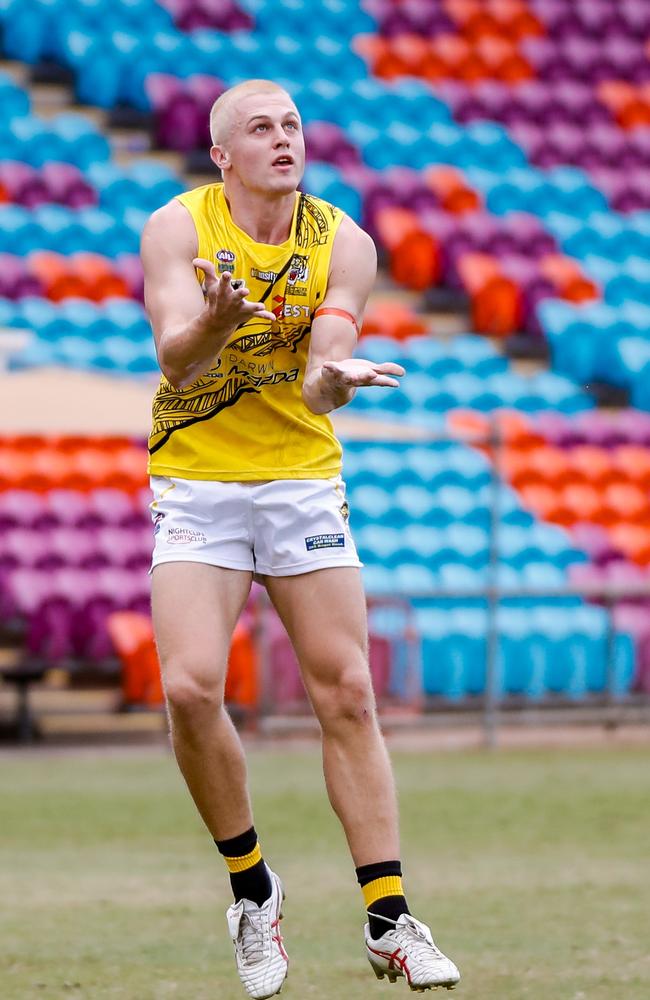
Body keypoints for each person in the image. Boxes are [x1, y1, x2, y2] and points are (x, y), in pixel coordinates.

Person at [140, 78, 460, 998]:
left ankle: (390, 917)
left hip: (300, 478)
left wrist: (337, 379)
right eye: (259, 128)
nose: (283, 140)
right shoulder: (179, 228)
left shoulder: (343, 241)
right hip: (198, 478)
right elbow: (173, 351)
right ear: (220, 154)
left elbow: (319, 376)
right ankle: (254, 890)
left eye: (291, 126)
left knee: (349, 689)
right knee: (193, 689)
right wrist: (214, 321)